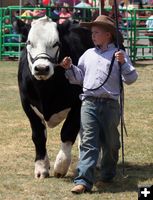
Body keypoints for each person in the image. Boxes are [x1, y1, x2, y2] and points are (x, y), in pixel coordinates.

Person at [60, 15, 138, 194]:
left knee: (111, 143)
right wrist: (70, 68)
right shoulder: (87, 54)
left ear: (108, 35)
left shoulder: (119, 54)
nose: (92, 36)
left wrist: (123, 63)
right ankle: (83, 180)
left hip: (110, 104)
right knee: (88, 141)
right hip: (88, 103)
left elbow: (131, 79)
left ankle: (108, 172)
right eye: (92, 33)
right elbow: (80, 78)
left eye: (96, 33)